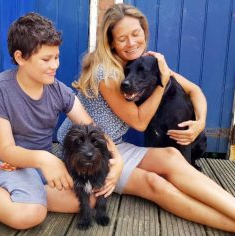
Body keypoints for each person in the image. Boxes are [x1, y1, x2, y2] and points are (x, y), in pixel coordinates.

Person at [0, 12, 123, 229]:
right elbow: (5, 150)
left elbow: (91, 127)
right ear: (20, 58)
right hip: (4, 162)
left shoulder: (58, 91)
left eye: (56, 57)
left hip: (40, 166)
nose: (55, 65)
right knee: (29, 214)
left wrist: (117, 160)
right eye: (46, 59)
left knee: (90, 198)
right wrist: (45, 159)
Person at [57, 3, 235, 232]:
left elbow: (195, 91)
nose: (131, 43)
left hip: (114, 145)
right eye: (122, 38)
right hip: (83, 150)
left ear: (144, 33)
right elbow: (139, 123)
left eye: (136, 34)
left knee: (172, 155)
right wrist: (162, 79)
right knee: (155, 183)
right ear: (110, 42)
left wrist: (200, 122)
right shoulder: (106, 72)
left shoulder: (141, 64)